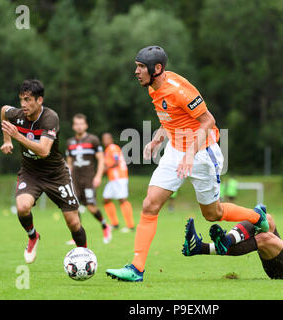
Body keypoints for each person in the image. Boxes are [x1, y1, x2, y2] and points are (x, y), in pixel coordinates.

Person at [106, 46, 268, 282]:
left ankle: (256, 216)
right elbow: (170, 118)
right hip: (175, 150)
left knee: (213, 214)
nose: (136, 71)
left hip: (203, 153)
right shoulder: (153, 88)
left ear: (157, 68)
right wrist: (156, 140)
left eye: (141, 66)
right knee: (150, 204)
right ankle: (136, 268)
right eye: (137, 66)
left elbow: (208, 121)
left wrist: (191, 153)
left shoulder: (179, 90)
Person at [0, 79, 87, 264]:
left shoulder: (50, 118)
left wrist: (16, 136)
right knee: (22, 207)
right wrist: (7, 139)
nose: (23, 104)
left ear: (39, 100)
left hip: (56, 175)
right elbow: (3, 111)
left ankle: (85, 256)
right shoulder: (17, 114)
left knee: (73, 222)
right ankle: (33, 237)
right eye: (21, 99)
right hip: (30, 173)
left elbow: (44, 151)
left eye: (28, 100)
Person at [65, 113, 112, 244]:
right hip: (74, 179)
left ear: (86, 125)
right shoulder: (70, 142)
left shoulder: (93, 140)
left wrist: (98, 176)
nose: (79, 126)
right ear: (74, 126)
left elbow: (101, 159)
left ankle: (104, 225)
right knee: (74, 207)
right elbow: (69, 164)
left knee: (91, 206)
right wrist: (67, 179)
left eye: (81, 124)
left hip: (89, 179)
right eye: (77, 124)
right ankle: (76, 236)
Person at [101, 132, 135, 233]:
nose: (105, 140)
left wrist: (104, 169)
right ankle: (115, 224)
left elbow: (116, 162)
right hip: (113, 179)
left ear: (111, 139)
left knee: (122, 200)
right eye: (103, 139)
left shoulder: (112, 148)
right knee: (106, 199)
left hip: (119, 177)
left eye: (107, 138)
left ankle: (130, 225)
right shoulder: (107, 149)